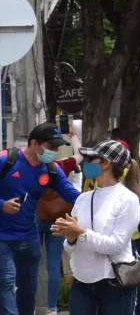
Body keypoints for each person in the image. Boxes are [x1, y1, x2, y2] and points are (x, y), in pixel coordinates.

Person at [0, 123, 83, 315]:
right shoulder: (7, 160)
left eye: (57, 147)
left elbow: (72, 194)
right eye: (50, 146)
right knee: (5, 282)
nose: (54, 151)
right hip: (2, 237)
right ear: (34, 144)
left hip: (30, 237)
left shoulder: (51, 169)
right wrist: (2, 205)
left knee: (29, 290)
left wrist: (101, 201)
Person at [54, 140, 140, 315]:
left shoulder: (127, 199)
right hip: (82, 282)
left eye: (91, 159)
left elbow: (115, 245)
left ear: (106, 163)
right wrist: (71, 237)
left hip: (113, 281)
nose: (86, 163)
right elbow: (69, 246)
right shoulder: (83, 199)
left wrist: (81, 232)